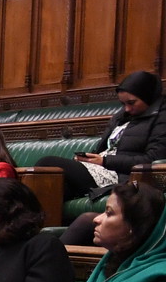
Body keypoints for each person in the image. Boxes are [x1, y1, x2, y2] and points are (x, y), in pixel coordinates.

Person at [39, 71, 165, 208]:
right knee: (55, 187)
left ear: (147, 96)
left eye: (131, 103)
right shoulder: (121, 116)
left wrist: (105, 161)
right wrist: (89, 158)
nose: (127, 109)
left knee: (47, 163)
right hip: (102, 166)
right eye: (123, 104)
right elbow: (106, 148)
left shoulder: (161, 117)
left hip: (121, 175)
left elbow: (153, 159)